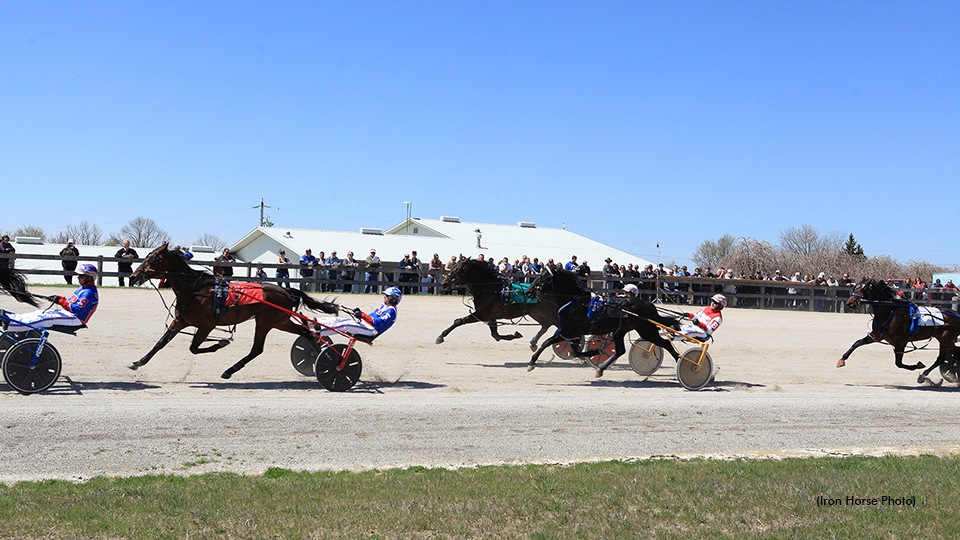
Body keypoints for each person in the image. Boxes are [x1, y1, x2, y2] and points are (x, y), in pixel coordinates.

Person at [4, 264, 99, 332]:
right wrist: (59, 298)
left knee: (46, 318)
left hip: (76, 319)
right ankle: (13, 318)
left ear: (90, 277)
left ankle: (12, 325)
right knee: (41, 313)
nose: (78, 277)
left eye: (81, 276)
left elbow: (77, 310)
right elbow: (70, 302)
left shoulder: (89, 292)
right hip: (69, 314)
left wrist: (60, 301)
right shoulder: (83, 288)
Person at [309, 286, 401, 339]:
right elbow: (371, 316)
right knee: (338, 319)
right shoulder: (383, 306)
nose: (384, 296)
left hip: (371, 330)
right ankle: (312, 323)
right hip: (365, 324)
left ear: (393, 299)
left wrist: (363, 315)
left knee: (346, 325)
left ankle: (319, 332)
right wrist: (360, 314)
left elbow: (378, 322)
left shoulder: (391, 311)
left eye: (387, 296)